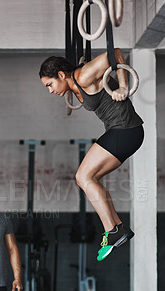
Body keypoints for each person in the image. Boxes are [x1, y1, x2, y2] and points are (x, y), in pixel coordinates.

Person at [39, 49, 144, 261]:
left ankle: (112, 231)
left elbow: (115, 53)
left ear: (61, 75)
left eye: (49, 84)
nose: (49, 91)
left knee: (83, 177)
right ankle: (117, 227)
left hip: (124, 130)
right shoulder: (76, 83)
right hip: (123, 131)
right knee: (89, 178)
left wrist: (123, 87)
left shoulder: (83, 76)